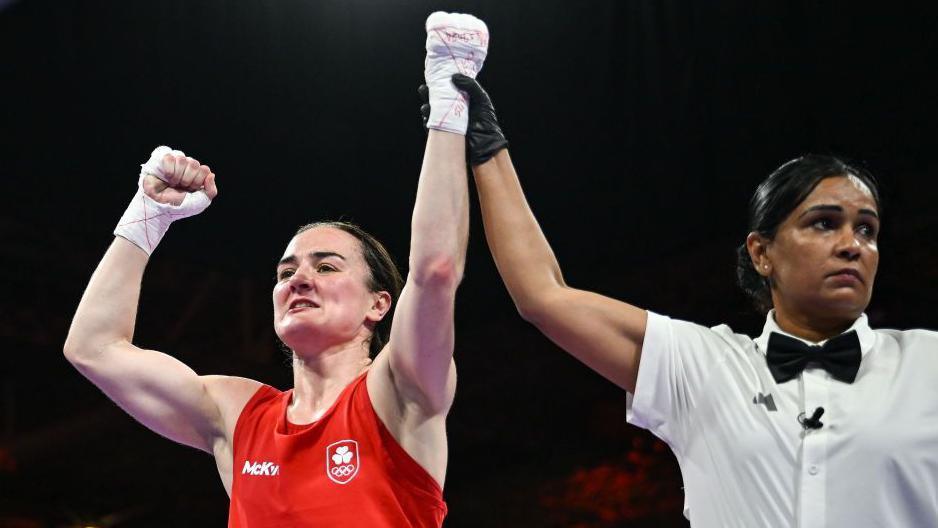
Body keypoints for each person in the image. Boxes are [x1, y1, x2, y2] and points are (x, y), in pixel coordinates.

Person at [439, 76, 938, 527]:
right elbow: (544, 295)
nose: (853, 243)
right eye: (824, 223)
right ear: (762, 253)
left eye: (867, 229)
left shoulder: (927, 364)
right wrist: (487, 147)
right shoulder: (703, 366)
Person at [63, 11, 490, 527]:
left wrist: (447, 105)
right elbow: (93, 348)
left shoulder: (401, 391)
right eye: (285, 272)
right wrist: (148, 218)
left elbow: (437, 269)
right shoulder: (238, 416)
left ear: (380, 304)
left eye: (326, 266)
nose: (298, 280)